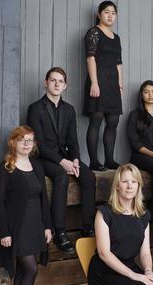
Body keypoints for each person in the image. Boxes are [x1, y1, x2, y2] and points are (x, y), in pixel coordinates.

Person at [27, 66, 96, 252]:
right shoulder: (35, 108)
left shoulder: (69, 109)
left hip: (66, 157)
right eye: (53, 80)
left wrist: (74, 159)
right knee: (61, 177)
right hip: (43, 158)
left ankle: (87, 228)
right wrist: (61, 162)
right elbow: (39, 144)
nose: (57, 84)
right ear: (46, 83)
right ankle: (60, 232)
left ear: (65, 86)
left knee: (89, 176)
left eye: (61, 81)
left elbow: (73, 140)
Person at [0, 126, 52, 285]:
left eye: (30, 140)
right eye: (22, 140)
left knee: (23, 271)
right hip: (17, 228)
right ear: (14, 143)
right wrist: (4, 232)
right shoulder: (6, 168)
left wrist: (47, 226)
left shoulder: (37, 166)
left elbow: (43, 198)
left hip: (35, 225)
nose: (27, 144)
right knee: (30, 269)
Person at [83, 1, 123, 171]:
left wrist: (120, 85)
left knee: (113, 121)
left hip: (113, 84)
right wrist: (94, 83)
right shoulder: (93, 33)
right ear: (99, 14)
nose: (110, 15)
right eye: (106, 12)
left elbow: (118, 63)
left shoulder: (116, 38)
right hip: (98, 81)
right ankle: (93, 161)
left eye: (113, 13)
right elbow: (90, 58)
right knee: (96, 120)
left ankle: (109, 160)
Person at [126, 80, 153, 208]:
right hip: (140, 156)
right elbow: (134, 142)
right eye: (146, 92)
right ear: (141, 95)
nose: (150, 95)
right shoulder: (135, 115)